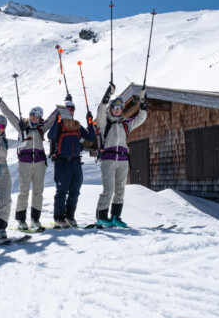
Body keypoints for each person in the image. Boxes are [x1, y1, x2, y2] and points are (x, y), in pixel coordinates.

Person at [0, 89, 55, 231]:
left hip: (40, 162)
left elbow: (52, 118)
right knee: (24, 190)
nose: (34, 117)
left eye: (38, 116)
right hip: (25, 161)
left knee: (38, 191)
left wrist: (63, 107)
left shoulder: (42, 129)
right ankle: (21, 220)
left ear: (40, 118)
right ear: (30, 114)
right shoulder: (21, 126)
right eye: (33, 114)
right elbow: (9, 115)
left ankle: (35, 219)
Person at [95, 85, 148, 227]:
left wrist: (143, 103)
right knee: (108, 189)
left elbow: (141, 118)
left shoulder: (126, 124)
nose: (118, 110)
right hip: (108, 159)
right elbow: (100, 111)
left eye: (120, 108)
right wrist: (107, 95)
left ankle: (115, 217)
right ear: (111, 108)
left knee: (120, 189)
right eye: (115, 107)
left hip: (123, 159)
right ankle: (101, 217)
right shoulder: (105, 122)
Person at [47, 99, 96, 228]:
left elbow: (91, 137)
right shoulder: (59, 125)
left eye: (72, 109)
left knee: (75, 190)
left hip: (76, 163)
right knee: (62, 191)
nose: (70, 111)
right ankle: (59, 218)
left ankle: (70, 216)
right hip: (62, 162)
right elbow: (50, 136)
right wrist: (56, 122)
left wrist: (90, 123)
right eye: (67, 109)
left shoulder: (76, 125)